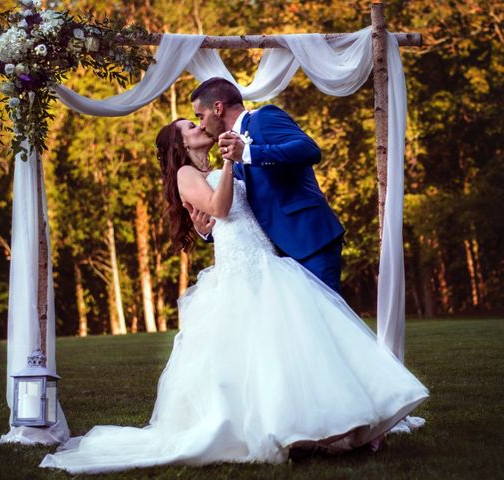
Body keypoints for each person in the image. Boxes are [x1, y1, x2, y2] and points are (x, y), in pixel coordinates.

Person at [39, 118, 429, 475]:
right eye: (190, 125)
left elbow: (237, 212)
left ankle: (311, 426)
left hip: (266, 260)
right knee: (249, 354)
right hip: (238, 269)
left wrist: (224, 181)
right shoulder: (186, 174)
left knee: (286, 349)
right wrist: (228, 165)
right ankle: (265, 428)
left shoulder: (222, 166)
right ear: (180, 141)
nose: (199, 125)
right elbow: (221, 207)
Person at [187, 77, 346, 294]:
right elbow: (244, 208)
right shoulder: (230, 151)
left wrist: (249, 153)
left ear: (218, 108)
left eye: (200, 116)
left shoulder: (264, 117)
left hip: (309, 239)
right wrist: (209, 231)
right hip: (277, 256)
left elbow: (309, 150)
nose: (201, 125)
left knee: (328, 320)